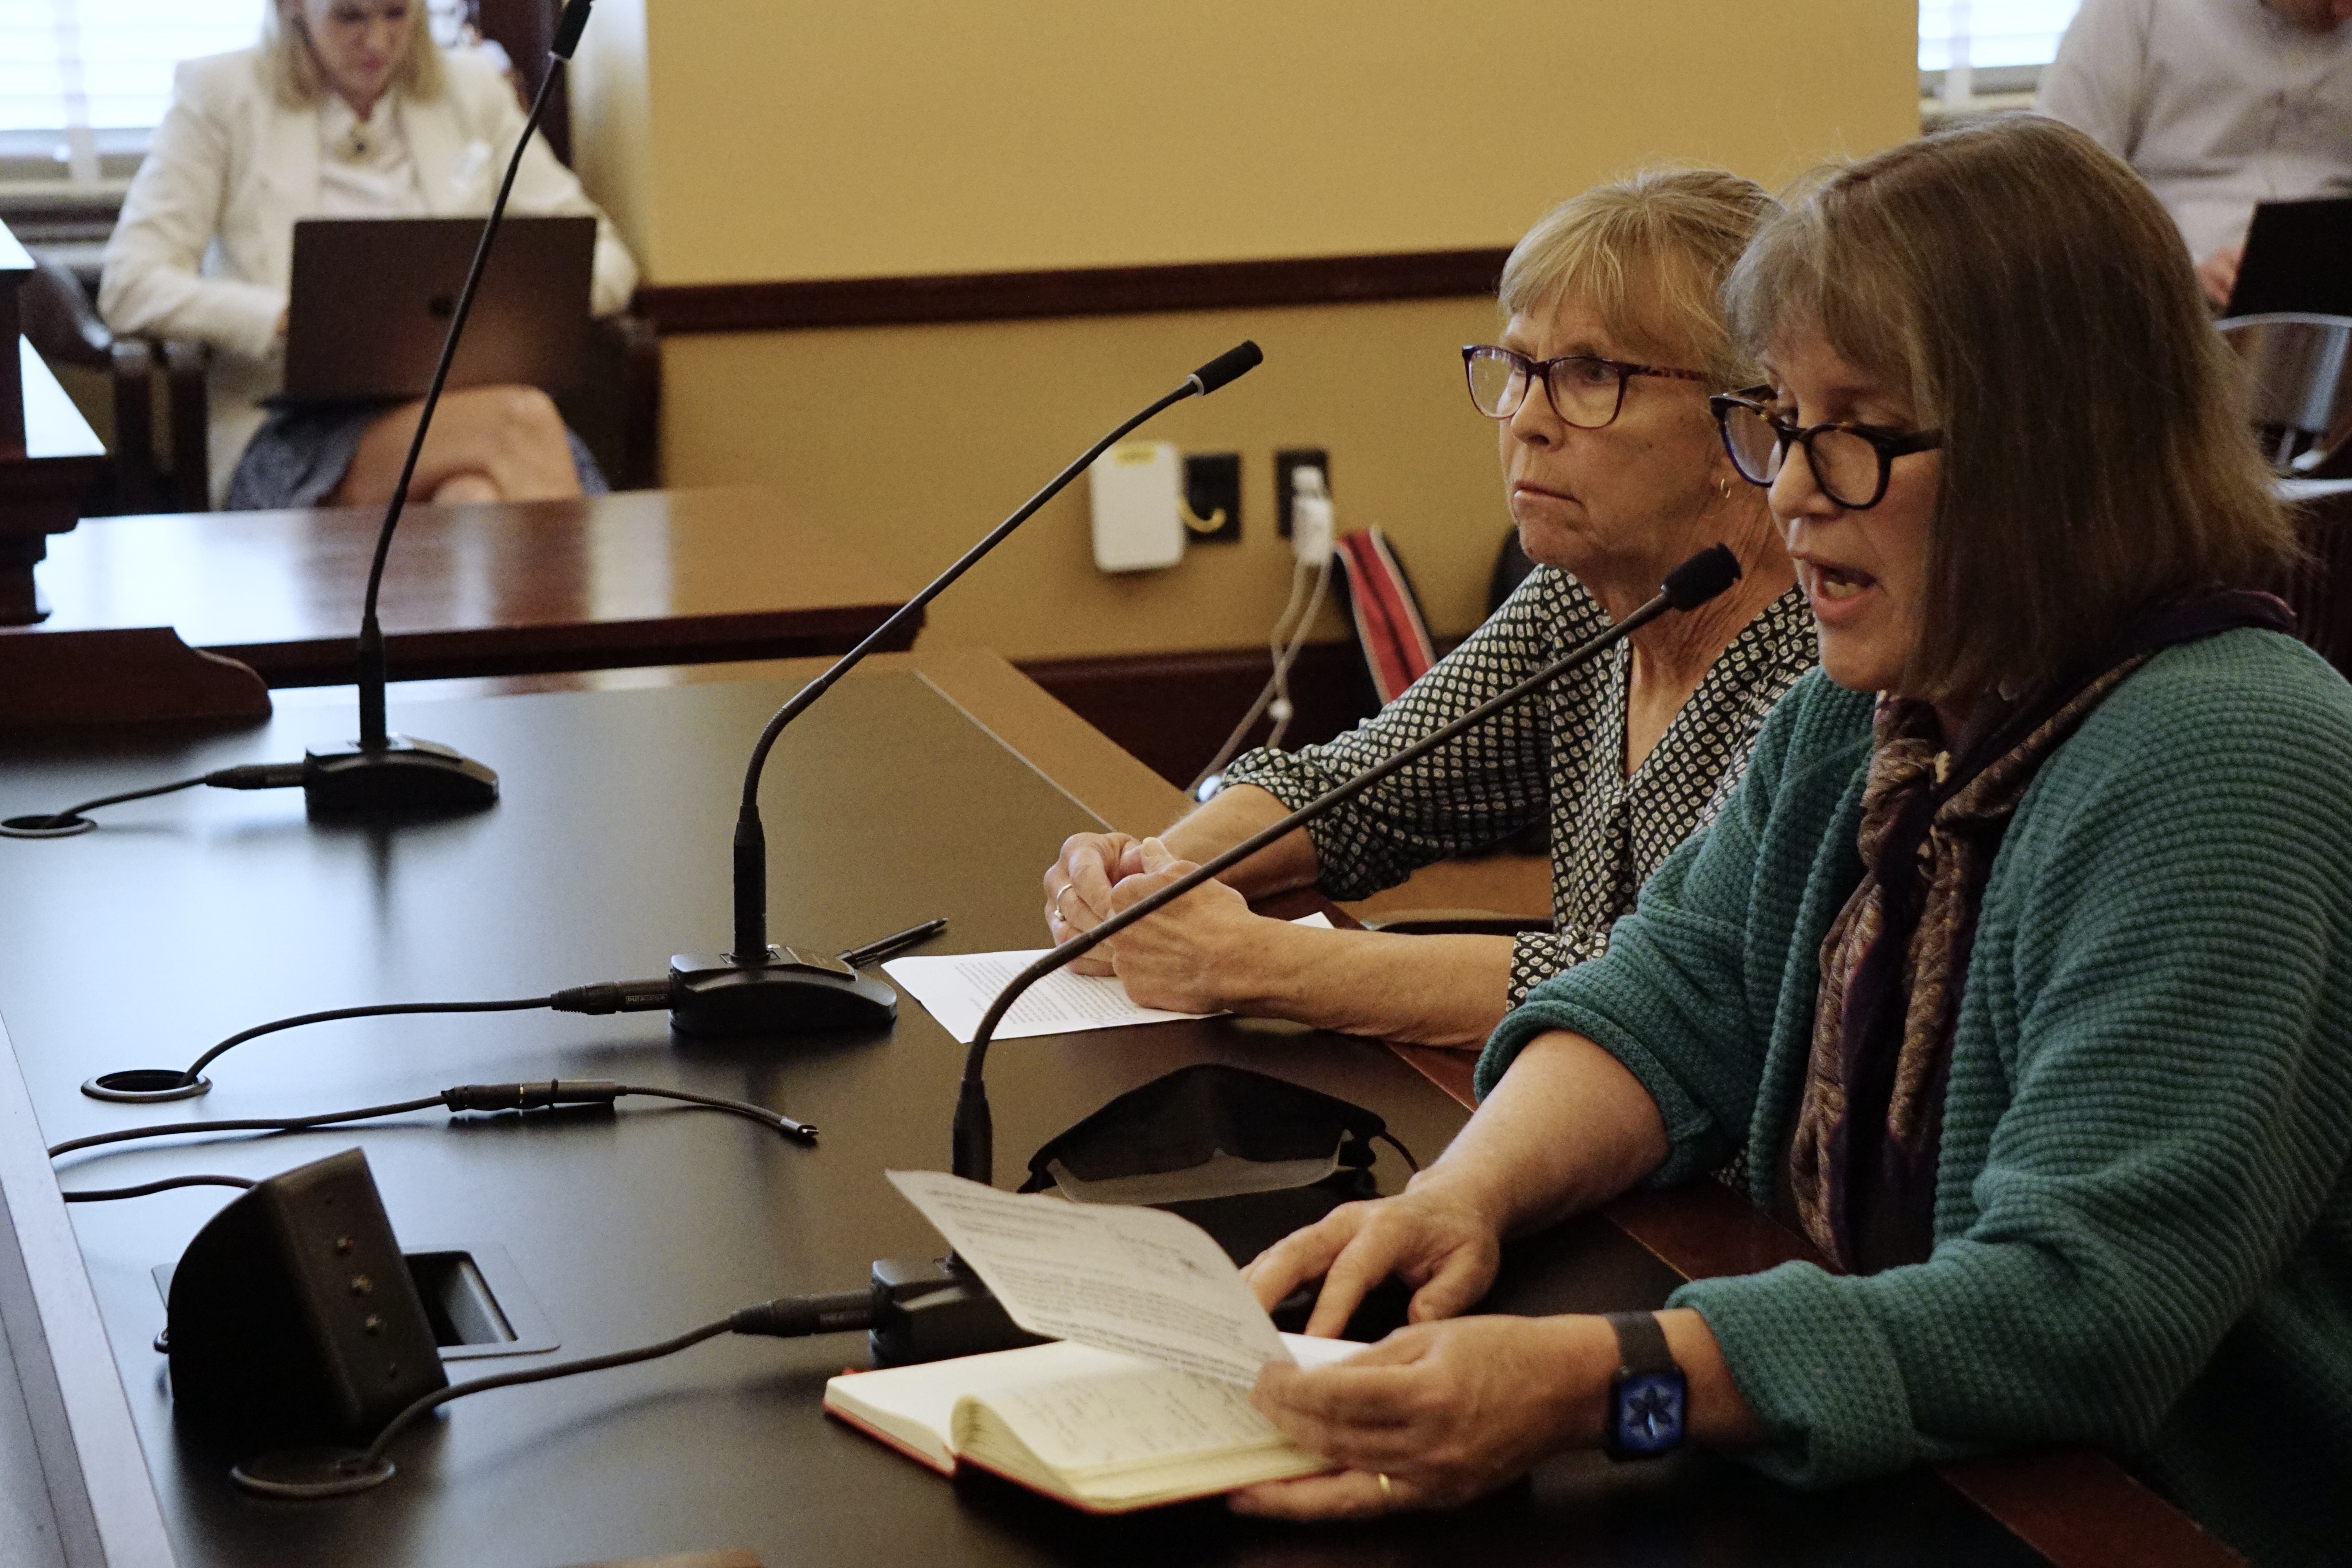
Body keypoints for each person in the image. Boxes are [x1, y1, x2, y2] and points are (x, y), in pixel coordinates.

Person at [1231, 114, 2352, 1568]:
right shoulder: (1873, 707)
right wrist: (1463, 1194)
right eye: (1780, 425)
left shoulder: (2223, 751)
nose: (1792, 491)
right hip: (1909, 1458)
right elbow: (1670, 994)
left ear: (2055, 446)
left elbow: (2082, 1306)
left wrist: (1607, 1380)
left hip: (2143, 1515)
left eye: (1856, 436)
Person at [1040, 171, 1814, 1050]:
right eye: (1518, 368)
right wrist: (1155, 876)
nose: (1526, 418)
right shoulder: (1586, 600)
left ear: (1743, 422)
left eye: (1591, 374)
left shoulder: (1820, 667)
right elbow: (1355, 791)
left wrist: (1249, 961)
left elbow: (1681, 989)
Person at [98, 0, 640, 509]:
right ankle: (614, 607)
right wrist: (288, 317)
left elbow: (610, 261)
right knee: (520, 422)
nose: (377, 41)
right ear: (293, 7)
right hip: (288, 430)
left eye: (396, 12)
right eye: (350, 16)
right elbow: (130, 285)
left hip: (463, 406)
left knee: (474, 498)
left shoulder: (472, 89)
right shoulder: (219, 94)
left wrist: (501, 310)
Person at [2038, 0, 2352, 306]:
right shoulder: (2132, 10)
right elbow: (2060, 179)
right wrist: (2171, 277)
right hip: (2170, 302)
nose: (2343, 10)